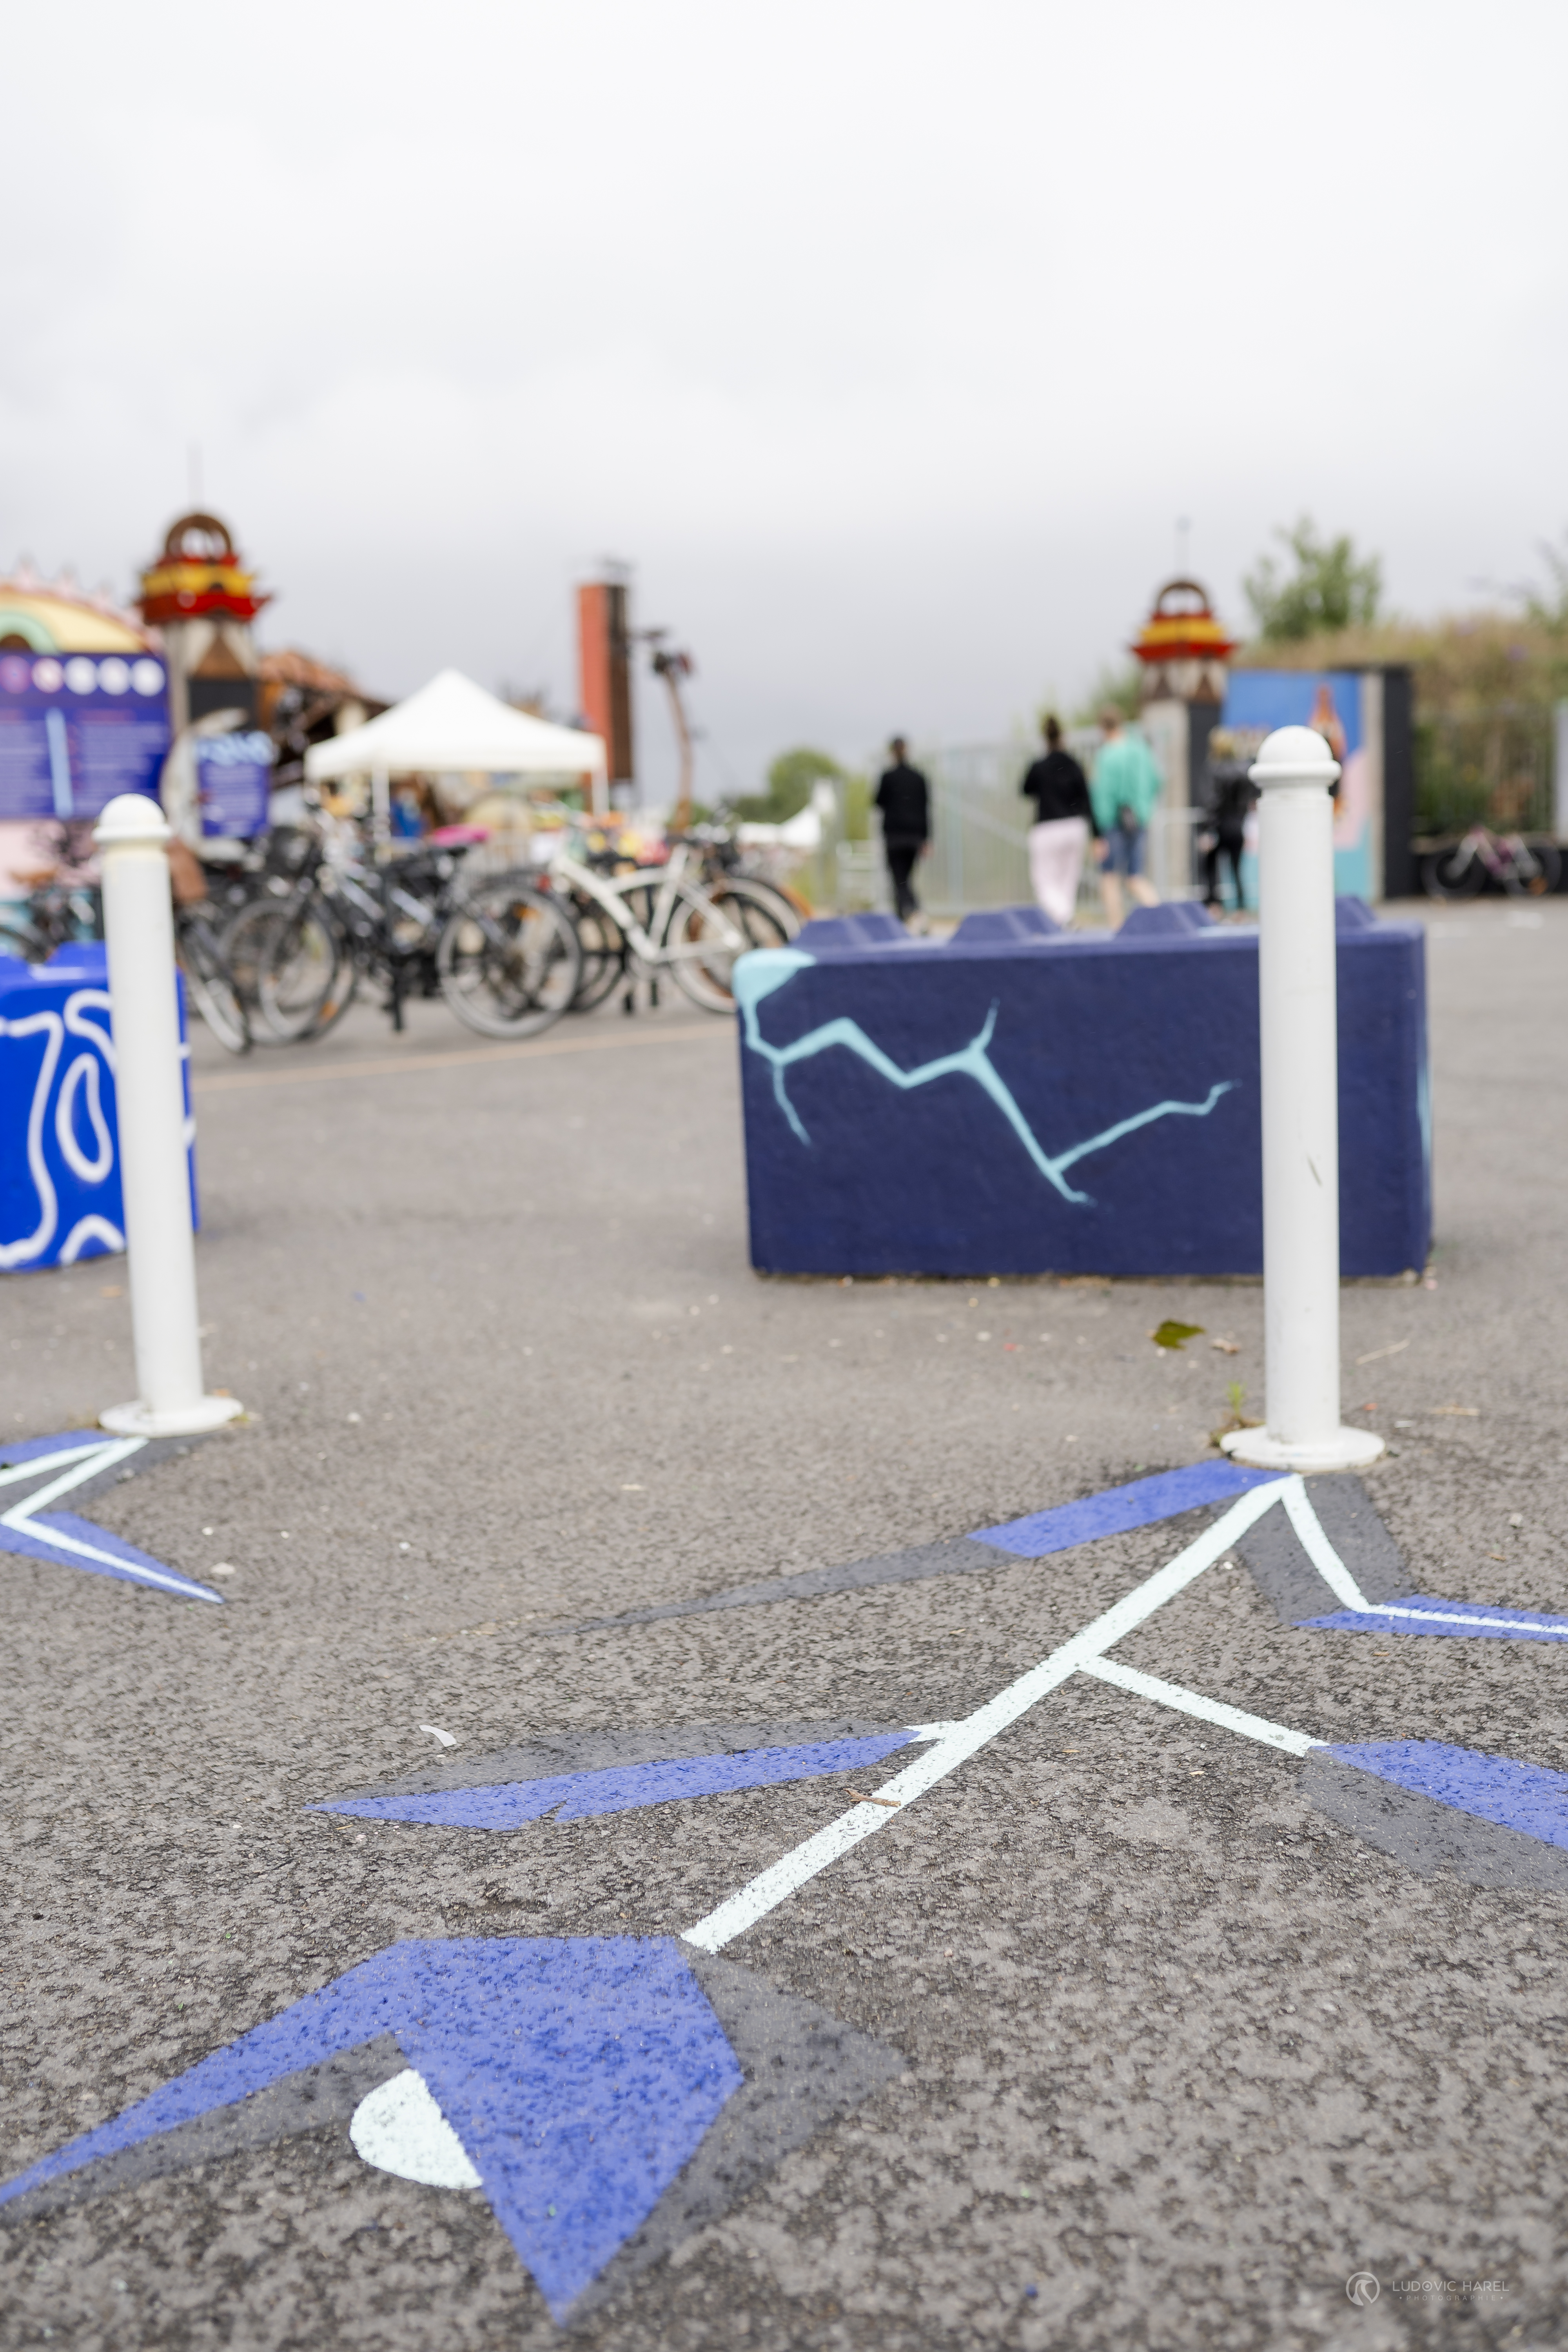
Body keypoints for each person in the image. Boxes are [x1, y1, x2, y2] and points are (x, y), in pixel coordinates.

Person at [1019, 715, 1098, 924]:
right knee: (1068, 882)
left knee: (1043, 881)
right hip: (1075, 827)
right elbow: (1087, 798)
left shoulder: (1039, 765)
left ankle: (1065, 917)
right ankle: (1064, 921)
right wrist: (1097, 835)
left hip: (1047, 828)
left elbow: (1025, 789)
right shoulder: (1074, 764)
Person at [1089, 708, 1163, 928]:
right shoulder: (1141, 750)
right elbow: (1158, 781)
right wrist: (1145, 808)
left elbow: (1101, 793)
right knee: (1135, 877)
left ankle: (1116, 927)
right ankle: (1161, 917)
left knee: (1110, 876)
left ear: (1103, 729)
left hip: (1113, 821)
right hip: (1139, 818)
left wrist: (1099, 831)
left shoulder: (1106, 755)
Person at [874, 736, 930, 924]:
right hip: (914, 837)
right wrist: (926, 838)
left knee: (900, 880)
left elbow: (878, 803)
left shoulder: (888, 778)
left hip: (895, 838)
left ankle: (914, 912)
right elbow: (925, 810)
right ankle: (902, 919)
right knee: (905, 879)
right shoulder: (919, 778)